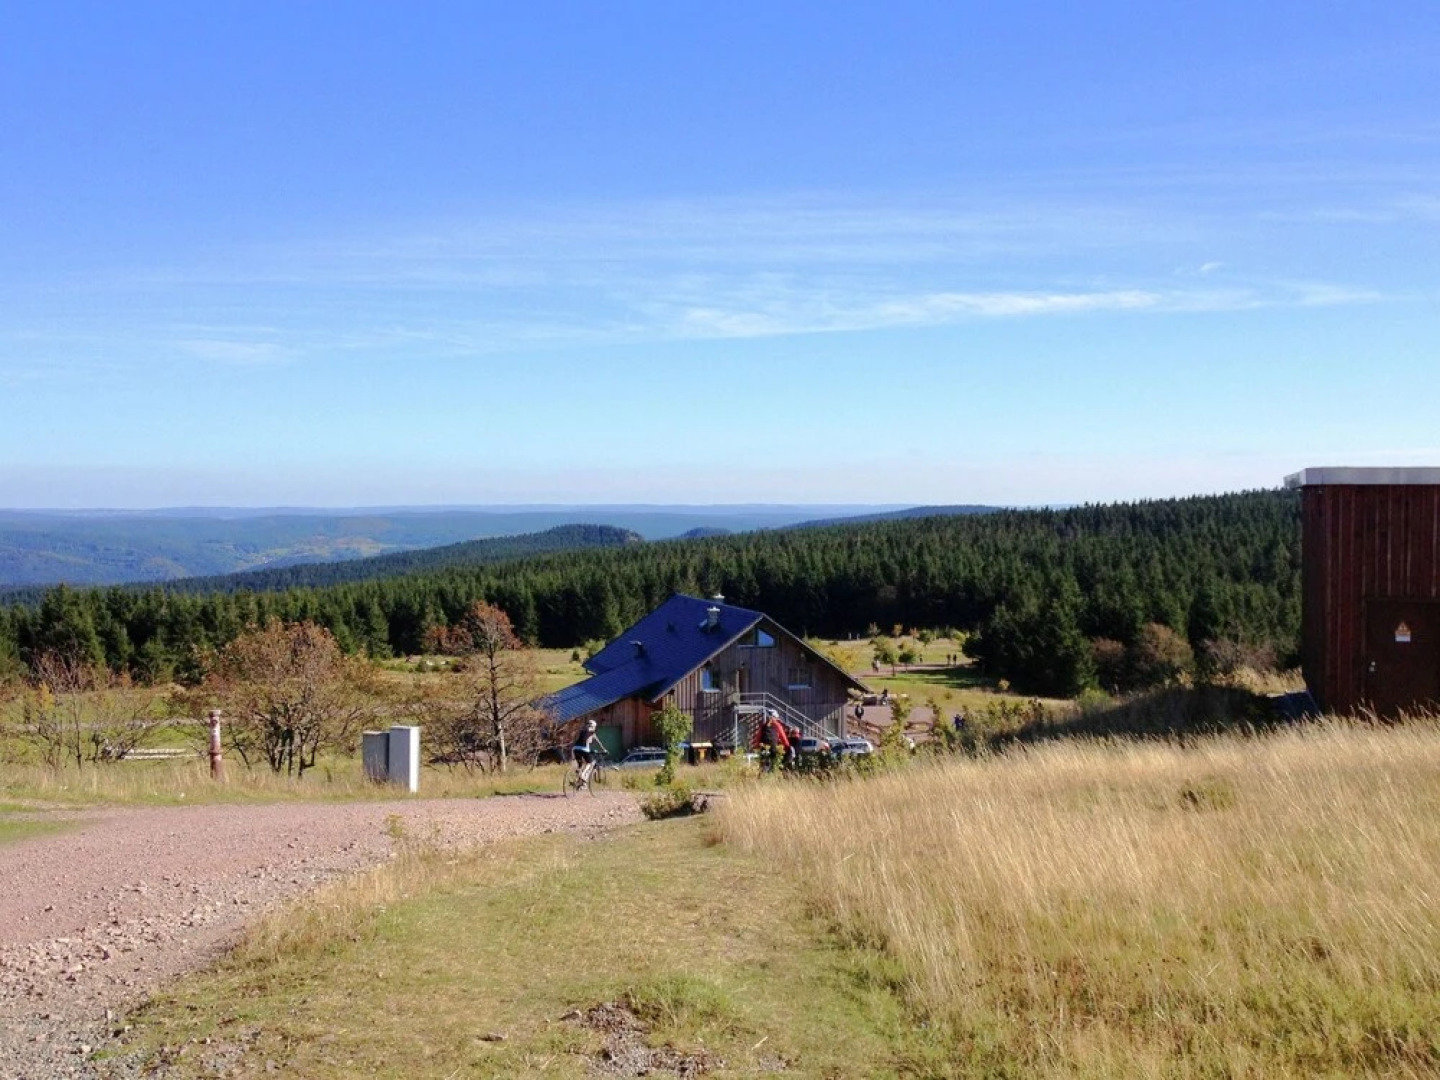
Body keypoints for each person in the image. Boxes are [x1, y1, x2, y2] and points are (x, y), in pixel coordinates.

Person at [572, 718, 603, 783]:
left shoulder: (582, 731)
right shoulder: (592, 732)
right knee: (590, 763)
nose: (595, 728)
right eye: (595, 727)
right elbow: (598, 742)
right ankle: (583, 775)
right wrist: (603, 749)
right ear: (593, 726)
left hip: (575, 748)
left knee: (580, 765)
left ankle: (576, 781)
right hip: (584, 749)